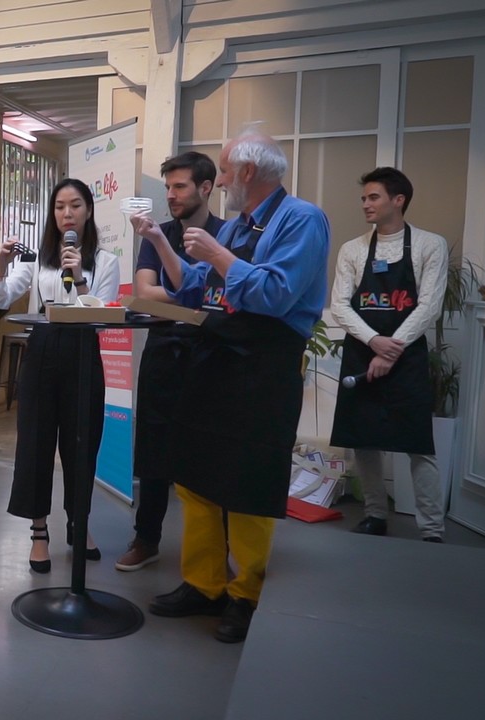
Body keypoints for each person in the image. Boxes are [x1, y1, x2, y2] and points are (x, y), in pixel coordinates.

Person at [132, 128, 330, 643]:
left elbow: (276, 294)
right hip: (214, 359)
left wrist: (219, 255)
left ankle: (246, 594)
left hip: (262, 368)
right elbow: (195, 287)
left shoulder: (302, 219)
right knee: (193, 476)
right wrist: (160, 242)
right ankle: (203, 584)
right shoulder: (241, 226)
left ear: (246, 172)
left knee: (247, 485)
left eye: (222, 172)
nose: (219, 183)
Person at [0, 178, 120, 573]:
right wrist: (1, 263)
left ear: (89, 211)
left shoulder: (106, 261)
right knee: (35, 443)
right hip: (43, 349)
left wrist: (78, 275)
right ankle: (39, 533)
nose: (67, 214)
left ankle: (79, 523)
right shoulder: (39, 258)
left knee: (82, 443)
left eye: (75, 205)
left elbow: (101, 313)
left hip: (82, 351)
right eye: (60, 207)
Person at [117, 152, 226, 572]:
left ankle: (216, 550)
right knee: (153, 451)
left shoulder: (226, 234)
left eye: (180, 186)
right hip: (163, 350)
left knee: (209, 453)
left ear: (206, 187)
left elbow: (222, 294)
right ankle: (147, 539)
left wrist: (192, 295)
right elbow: (144, 294)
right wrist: (195, 295)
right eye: (168, 187)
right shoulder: (157, 234)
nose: (171, 195)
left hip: (210, 352)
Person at [330, 167, 447, 542]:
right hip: (362, 352)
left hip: (406, 357)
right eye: (364, 198)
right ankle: (375, 515)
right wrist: (374, 342)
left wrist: (391, 349)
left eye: (373, 197)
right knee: (363, 439)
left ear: (398, 200)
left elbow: (429, 306)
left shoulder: (430, 245)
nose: (366, 204)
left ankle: (432, 528)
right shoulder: (353, 249)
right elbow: (339, 306)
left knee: (418, 444)